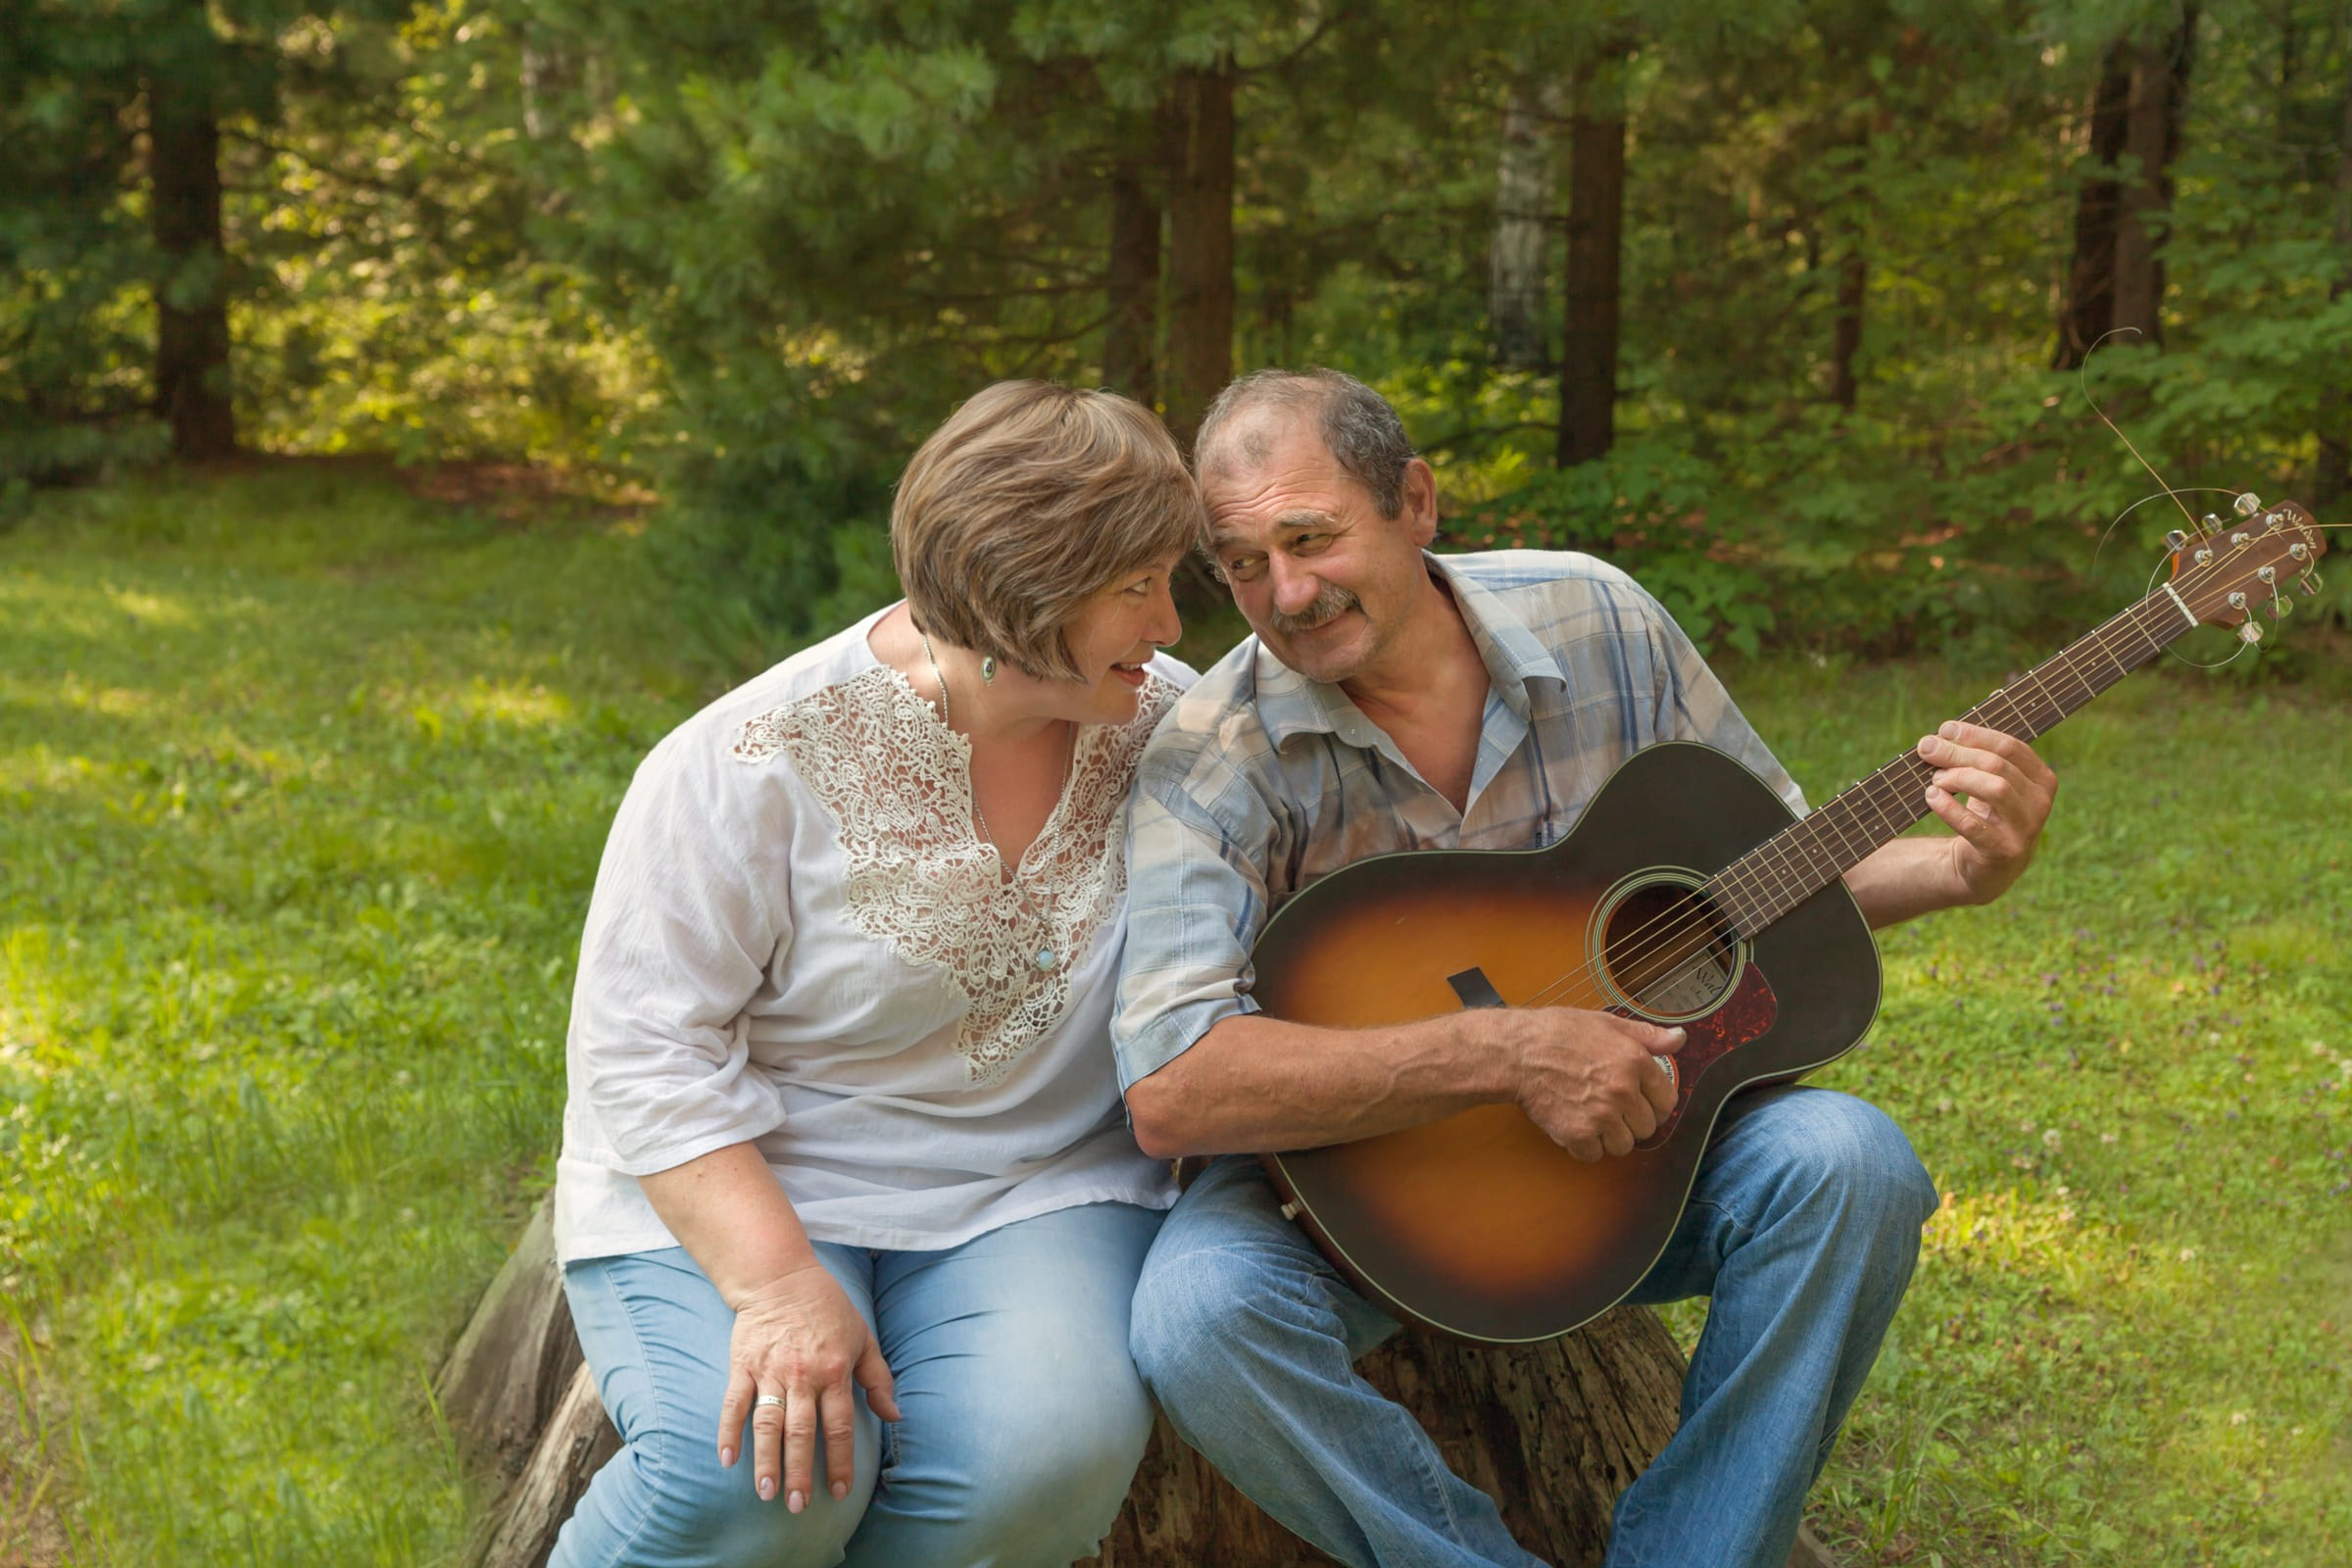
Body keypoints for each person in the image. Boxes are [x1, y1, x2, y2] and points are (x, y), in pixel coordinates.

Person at [1112, 368, 2059, 1568]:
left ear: (1415, 501)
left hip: (1636, 1172)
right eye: (1243, 564)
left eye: (1312, 538)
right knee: (1199, 1319)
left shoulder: (1597, 617)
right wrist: (1504, 1049)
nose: (1286, 593)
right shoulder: (1215, 753)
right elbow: (1174, 1086)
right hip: (1358, 1207)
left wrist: (1961, 874)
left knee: (1851, 1162)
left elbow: (1772, 873)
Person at [550, 380, 1199, 1568]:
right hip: (751, 1175)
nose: (1168, 620)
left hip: (1031, 1182)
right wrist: (778, 1286)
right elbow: (645, 1047)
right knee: (756, 1487)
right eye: (1135, 587)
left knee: (1040, 1462)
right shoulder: (744, 758)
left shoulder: (1172, 730)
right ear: (1024, 593)